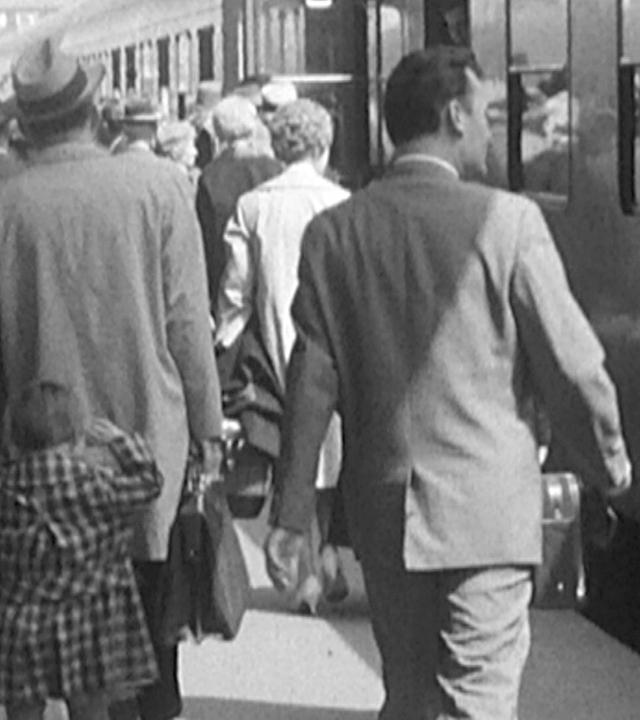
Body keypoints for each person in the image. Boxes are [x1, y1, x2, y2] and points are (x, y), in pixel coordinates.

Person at [264, 46, 632, 719]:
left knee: (408, 696)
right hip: (487, 516)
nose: (493, 129)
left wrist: (292, 517)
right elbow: (575, 369)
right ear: (455, 115)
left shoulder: (333, 234)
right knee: (478, 701)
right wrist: (610, 468)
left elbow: (310, 387)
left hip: (383, 515)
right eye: (487, 112)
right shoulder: (510, 222)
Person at [0, 37, 224, 720]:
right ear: (95, 113)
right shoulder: (160, 188)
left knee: (43, 647)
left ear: (26, 125)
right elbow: (188, 326)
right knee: (149, 648)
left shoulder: (7, 205)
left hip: (35, 473)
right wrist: (209, 433)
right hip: (146, 450)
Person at [216, 98, 350, 614]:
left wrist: (225, 342)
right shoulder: (341, 201)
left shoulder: (253, 205)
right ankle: (328, 554)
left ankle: (309, 573)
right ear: (324, 145)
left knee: (293, 454)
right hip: (332, 341)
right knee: (331, 450)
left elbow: (236, 292)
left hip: (275, 345)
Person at [0, 380, 161, 720]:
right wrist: (122, 443)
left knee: (23, 708)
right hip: (87, 623)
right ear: (76, 441)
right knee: (90, 706)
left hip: (21, 623)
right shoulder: (96, 486)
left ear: (12, 443)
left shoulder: (7, 489)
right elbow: (149, 483)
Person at [196, 94, 282, 313]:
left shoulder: (211, 176)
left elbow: (206, 240)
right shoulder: (274, 169)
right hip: (272, 274)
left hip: (226, 279)